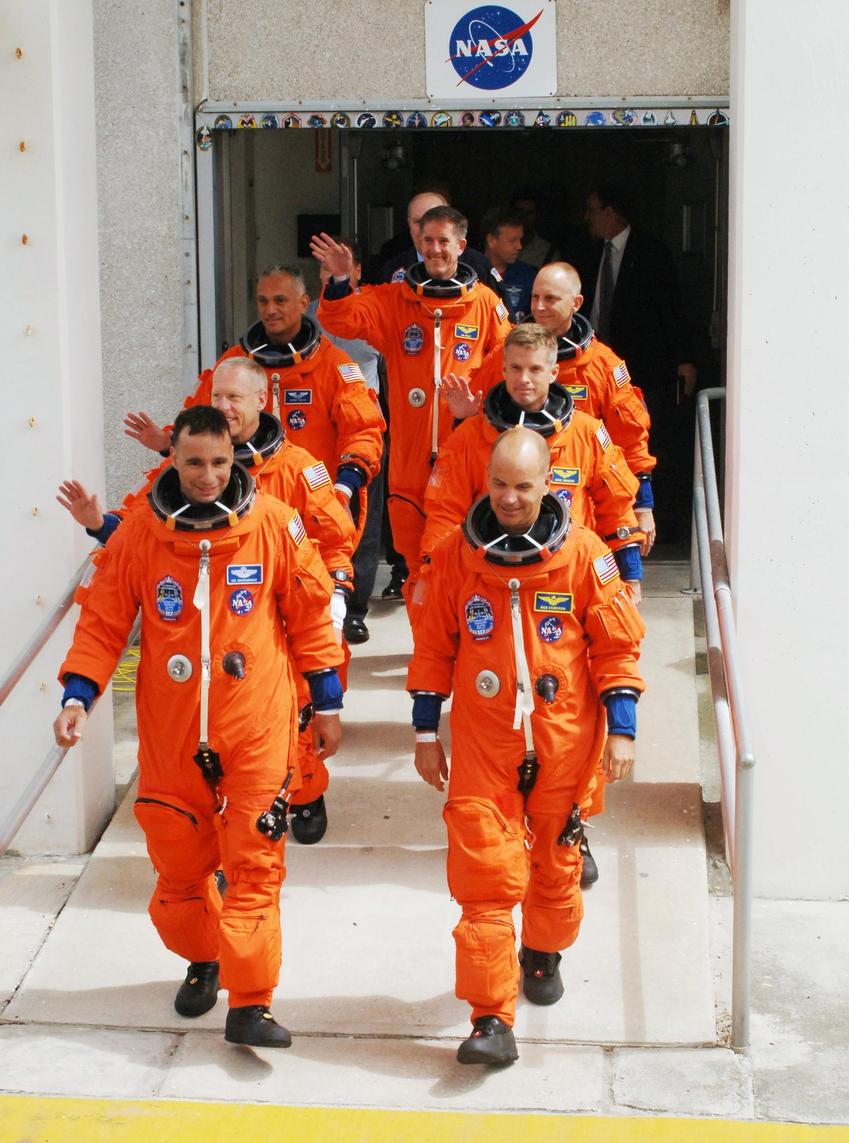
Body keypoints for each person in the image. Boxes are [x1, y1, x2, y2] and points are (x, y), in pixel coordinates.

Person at [53, 406, 344, 1047]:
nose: (208, 475)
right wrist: (79, 696)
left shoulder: (274, 524)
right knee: (181, 872)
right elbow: (103, 622)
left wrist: (326, 703)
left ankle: (252, 1003)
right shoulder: (140, 535)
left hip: (256, 722)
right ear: (173, 461)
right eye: (193, 463)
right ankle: (206, 956)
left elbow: (312, 615)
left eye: (218, 462)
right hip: (173, 731)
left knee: (254, 862)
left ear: (234, 457)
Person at [409, 428, 645, 1066]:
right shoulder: (459, 556)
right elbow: (434, 647)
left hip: (564, 740)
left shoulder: (585, 557)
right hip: (486, 743)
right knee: (484, 876)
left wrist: (621, 729)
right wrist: (426, 731)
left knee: (555, 867)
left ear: (549, 484)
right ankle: (490, 1019)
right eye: (499, 484)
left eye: (523, 485)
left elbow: (616, 648)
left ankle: (542, 953)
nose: (510, 499)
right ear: (485, 482)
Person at [58, 357, 356, 845]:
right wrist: (97, 523)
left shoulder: (293, 483)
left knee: (295, 739)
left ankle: (305, 794)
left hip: (269, 639)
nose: (208, 474)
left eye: (233, 397)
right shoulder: (164, 503)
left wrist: (338, 596)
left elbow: (333, 541)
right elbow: (127, 559)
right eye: (216, 396)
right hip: (191, 676)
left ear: (261, 401)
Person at [312, 206, 511, 603]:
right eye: (427, 240)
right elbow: (344, 319)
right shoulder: (394, 300)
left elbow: (509, 368)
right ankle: (427, 656)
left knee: (470, 560)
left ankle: (465, 649)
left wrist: (478, 409)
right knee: (418, 570)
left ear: (461, 245)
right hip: (410, 463)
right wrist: (338, 279)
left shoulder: (486, 305)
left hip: (464, 458)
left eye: (443, 241)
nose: (434, 249)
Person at [123, 263, 384, 543]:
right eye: (263, 300)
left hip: (313, 504)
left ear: (303, 303)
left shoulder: (334, 367)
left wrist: (344, 488)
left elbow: (363, 431)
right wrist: (169, 441)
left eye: (280, 300)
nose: (270, 310)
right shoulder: (234, 362)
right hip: (242, 505)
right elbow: (201, 419)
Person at [448, 262, 657, 553]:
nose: (540, 307)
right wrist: (465, 417)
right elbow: (473, 440)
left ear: (576, 303)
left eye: (550, 299)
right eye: (535, 298)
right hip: (512, 500)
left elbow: (630, 439)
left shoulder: (603, 366)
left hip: (578, 497)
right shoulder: (504, 356)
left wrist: (643, 506)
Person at [581, 184, 699, 543]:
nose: (587, 217)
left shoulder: (651, 252)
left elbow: (671, 309)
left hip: (643, 369)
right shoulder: (587, 251)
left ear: (611, 212)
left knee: (645, 445)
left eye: (592, 209)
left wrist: (684, 359)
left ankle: (653, 524)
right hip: (595, 371)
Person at [308, 237, 385, 645]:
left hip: (361, 428)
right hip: (316, 431)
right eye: (322, 270)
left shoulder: (373, 310)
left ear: (355, 272)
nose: (329, 276)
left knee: (363, 522)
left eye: (337, 269)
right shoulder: (305, 315)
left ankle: (355, 609)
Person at [377, 189, 494, 290]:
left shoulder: (480, 267)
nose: (425, 229)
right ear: (409, 224)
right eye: (418, 222)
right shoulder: (391, 269)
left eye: (435, 222)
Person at [481, 208, 536, 321]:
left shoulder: (529, 275)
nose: (519, 246)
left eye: (520, 239)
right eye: (512, 240)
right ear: (491, 240)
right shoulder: (470, 273)